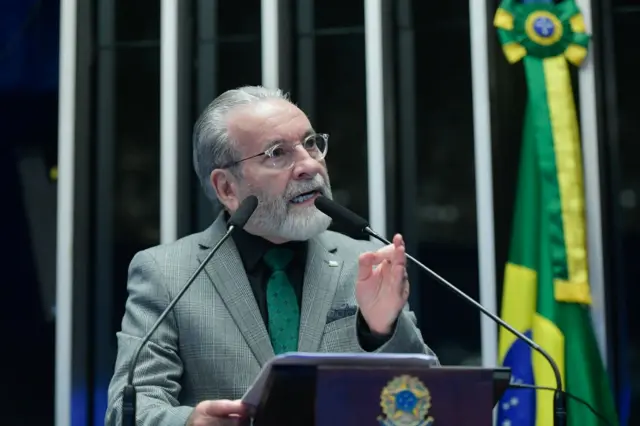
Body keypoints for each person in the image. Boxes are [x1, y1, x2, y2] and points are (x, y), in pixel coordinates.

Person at [105, 86, 438, 426]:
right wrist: (188, 422)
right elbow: (128, 408)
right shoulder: (167, 273)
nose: (309, 165)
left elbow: (431, 406)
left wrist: (383, 330)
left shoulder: (365, 263)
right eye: (277, 153)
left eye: (310, 144)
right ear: (227, 188)